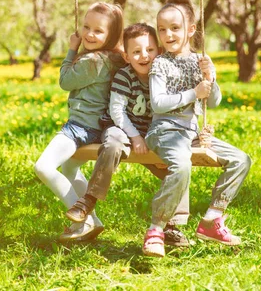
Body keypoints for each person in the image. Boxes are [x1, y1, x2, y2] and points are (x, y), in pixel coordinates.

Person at [142, 0, 252, 257]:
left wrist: (210, 77)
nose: (168, 34)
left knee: (241, 159)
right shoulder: (160, 63)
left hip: (190, 135)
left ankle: (212, 219)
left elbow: (213, 101)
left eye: (175, 28)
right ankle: (156, 228)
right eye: (162, 29)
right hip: (165, 132)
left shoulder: (199, 60)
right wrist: (194, 93)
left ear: (191, 30)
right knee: (181, 165)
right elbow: (157, 104)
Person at [65, 23, 191, 247]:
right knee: (112, 142)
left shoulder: (163, 75)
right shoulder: (125, 76)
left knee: (179, 165)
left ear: (159, 51)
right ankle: (88, 200)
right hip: (122, 129)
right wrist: (134, 137)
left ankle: (172, 226)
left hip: (154, 133)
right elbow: (117, 111)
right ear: (126, 55)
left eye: (150, 50)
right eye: (136, 51)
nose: (144, 56)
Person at [34, 2, 125, 242]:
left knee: (43, 167)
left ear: (111, 35)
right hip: (99, 127)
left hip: (80, 128)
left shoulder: (91, 61)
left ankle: (82, 219)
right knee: (70, 167)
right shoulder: (113, 58)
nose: (89, 34)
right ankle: (94, 221)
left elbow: (65, 81)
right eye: (86, 27)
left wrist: (71, 50)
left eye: (98, 30)